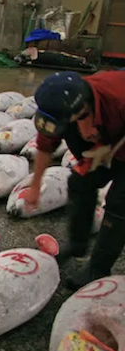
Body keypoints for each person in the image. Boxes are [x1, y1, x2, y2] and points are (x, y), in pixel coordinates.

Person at [29, 70, 125, 289]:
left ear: (83, 108)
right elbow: (45, 146)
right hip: (103, 138)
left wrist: (111, 150)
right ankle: (77, 243)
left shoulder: (118, 98)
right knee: (79, 183)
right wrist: (35, 186)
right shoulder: (57, 106)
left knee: (119, 203)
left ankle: (98, 268)